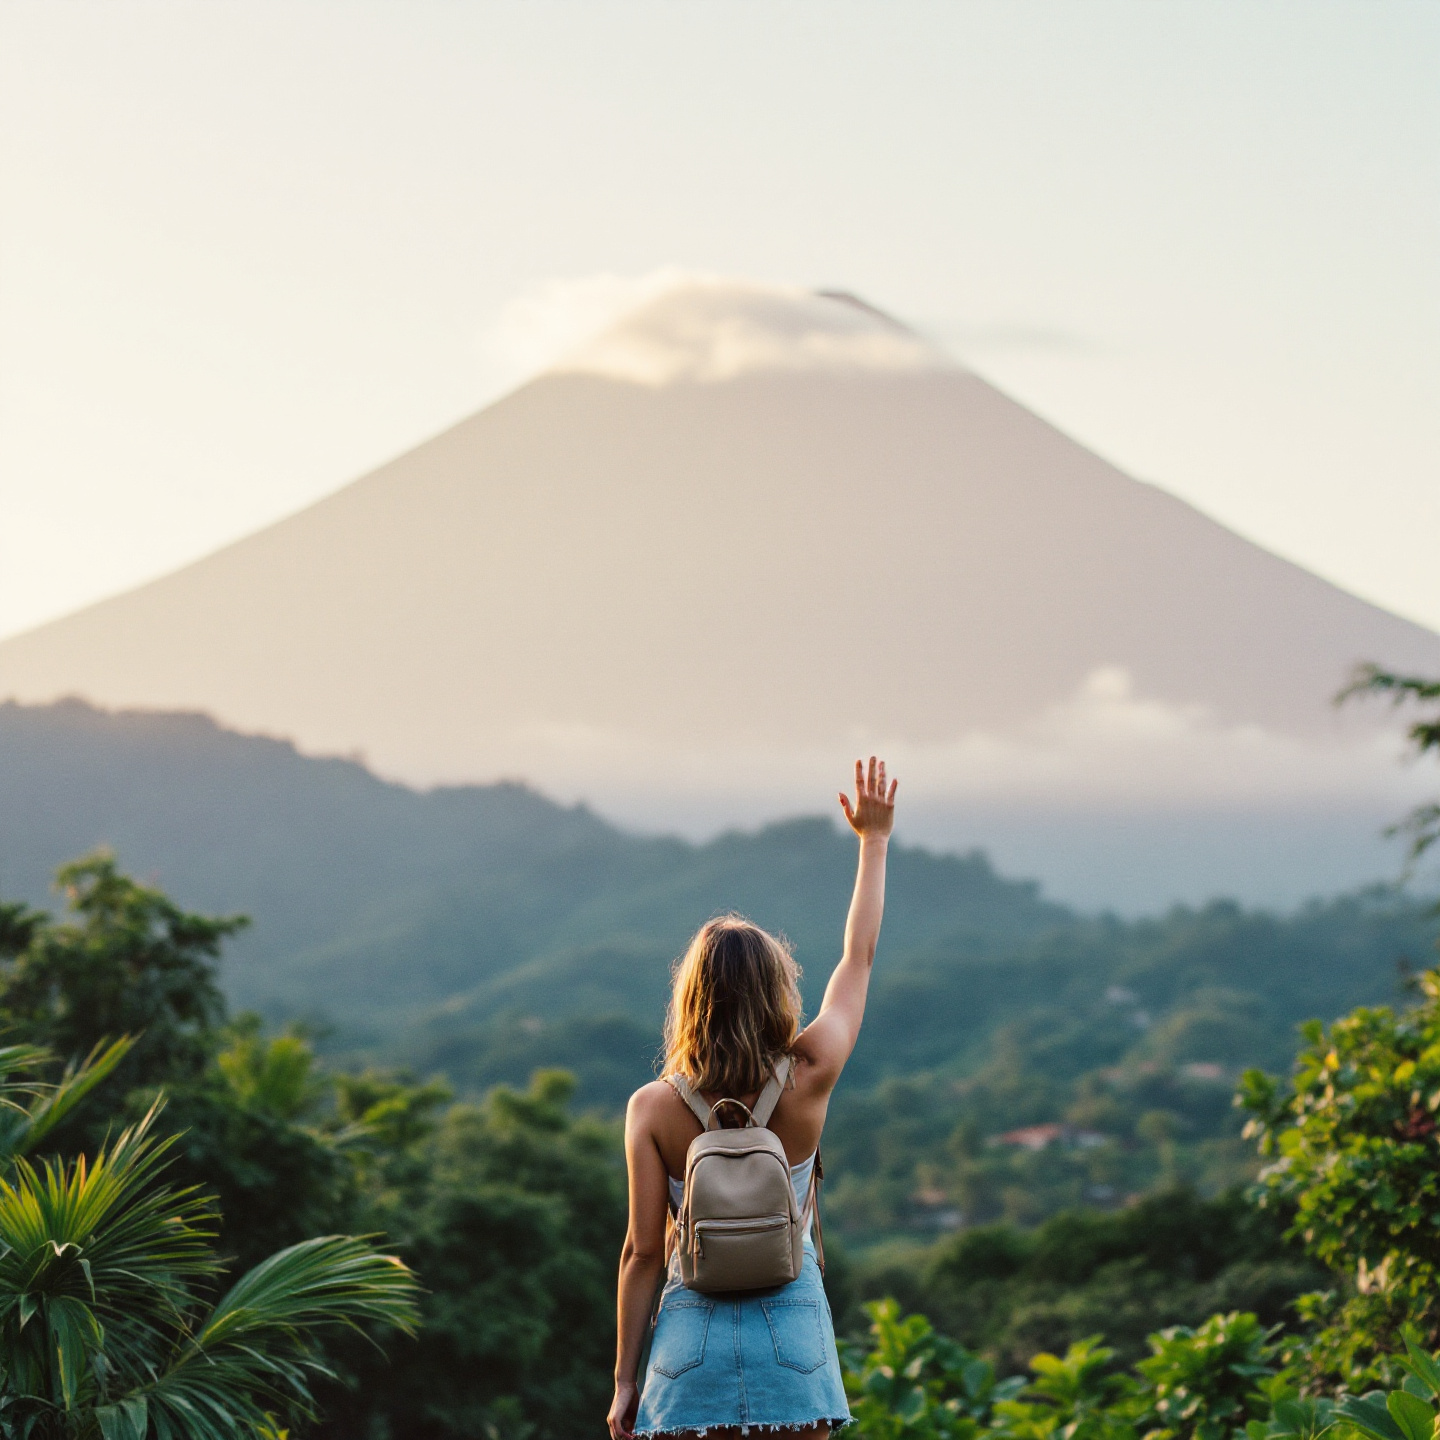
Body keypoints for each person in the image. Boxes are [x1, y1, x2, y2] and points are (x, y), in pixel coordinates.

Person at [608, 757, 898, 1440]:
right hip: (792, 1334)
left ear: (690, 999)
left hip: (689, 1342)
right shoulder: (812, 1068)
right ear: (777, 990)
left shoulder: (652, 1108)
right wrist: (874, 841)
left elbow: (643, 1253)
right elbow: (858, 958)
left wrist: (625, 1380)